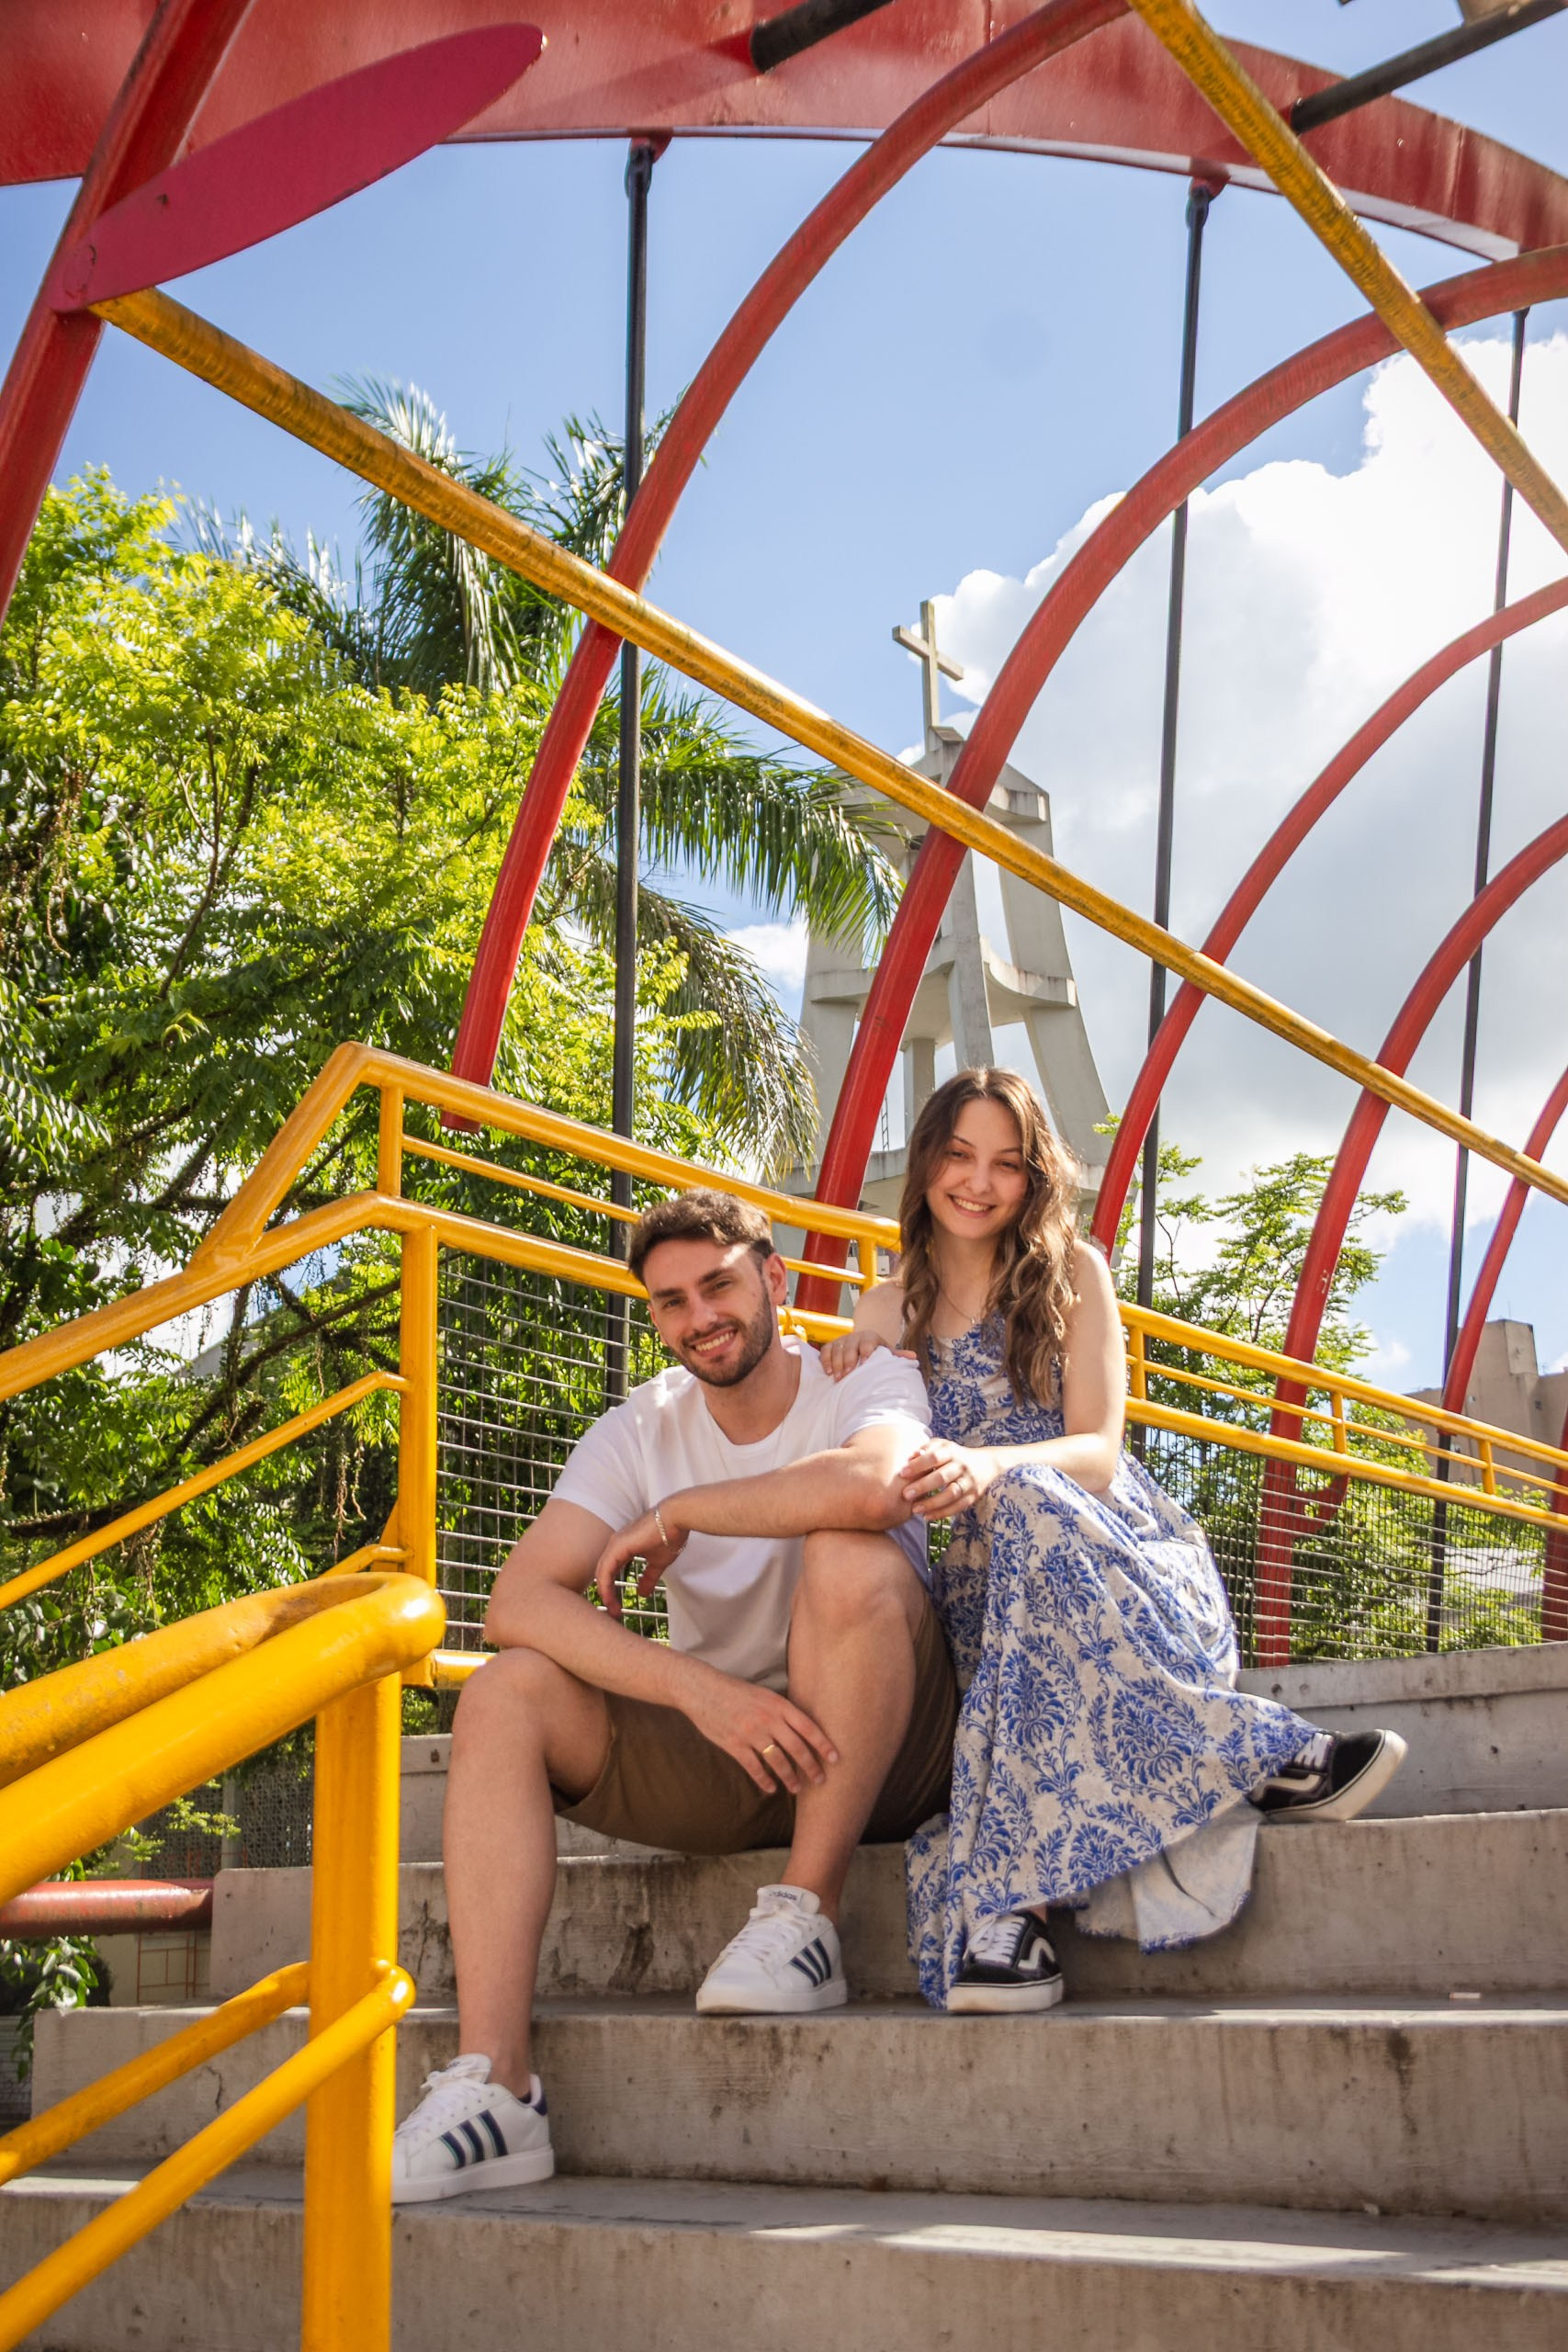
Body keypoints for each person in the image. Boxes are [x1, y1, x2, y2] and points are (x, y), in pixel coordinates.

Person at [389, 1189, 956, 2201]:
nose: (698, 1316)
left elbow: (877, 1488)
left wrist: (687, 1508)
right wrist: (699, 1693)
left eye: (719, 1284)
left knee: (847, 1551)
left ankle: (809, 1915)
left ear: (774, 1279)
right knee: (505, 1693)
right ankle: (498, 2087)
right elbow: (516, 1601)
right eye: (670, 1301)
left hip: (893, 1749)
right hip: (739, 1752)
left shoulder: (862, 1373)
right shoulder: (640, 1425)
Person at [820, 1067, 1407, 2015]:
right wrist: (849, 1365)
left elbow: (1096, 1451)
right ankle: (1257, 1757)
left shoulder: (1073, 1273)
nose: (978, 1181)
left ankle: (1013, 1915)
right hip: (975, 1589)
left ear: (1034, 1177)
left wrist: (995, 1467)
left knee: (1030, 1502)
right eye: (958, 1155)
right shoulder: (889, 1308)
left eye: (1006, 1163)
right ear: (925, 1161)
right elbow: (874, 1447)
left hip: (1105, 1553)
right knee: (1010, 1522)